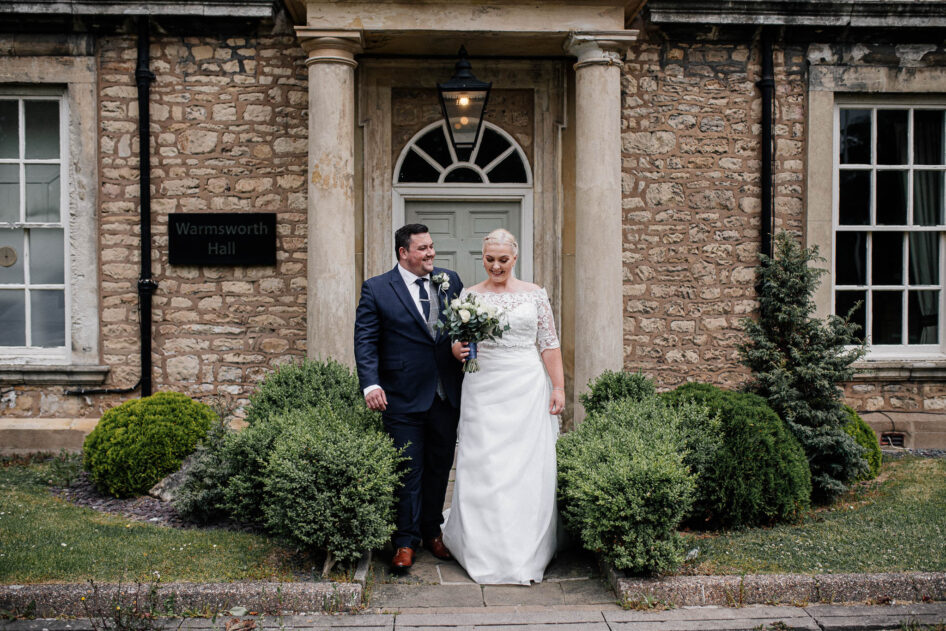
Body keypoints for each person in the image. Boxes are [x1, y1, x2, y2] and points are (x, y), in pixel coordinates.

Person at [442, 228, 565, 585]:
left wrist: (558, 387)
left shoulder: (535, 294)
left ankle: (524, 547)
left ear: (515, 258)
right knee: (485, 463)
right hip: (483, 387)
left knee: (524, 464)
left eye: (503, 260)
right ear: (482, 258)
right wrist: (457, 349)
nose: (496, 266)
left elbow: (549, 343)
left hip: (526, 386)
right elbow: (457, 341)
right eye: (489, 259)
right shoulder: (469, 295)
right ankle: (483, 547)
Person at [353, 223, 464, 572]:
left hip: (445, 394)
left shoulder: (450, 281)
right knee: (407, 469)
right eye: (423, 248)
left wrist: (465, 350)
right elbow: (366, 340)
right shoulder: (377, 289)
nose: (431, 253)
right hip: (401, 395)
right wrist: (370, 384)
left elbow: (462, 329)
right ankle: (404, 541)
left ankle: (432, 531)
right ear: (404, 253)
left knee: (439, 467)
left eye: (431, 246)